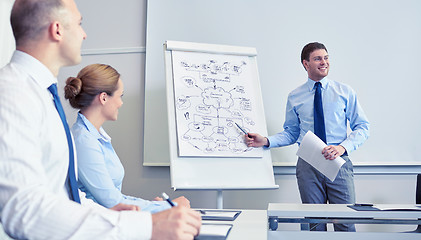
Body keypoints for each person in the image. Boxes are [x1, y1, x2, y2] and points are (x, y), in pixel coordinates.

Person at [0, 0, 201, 239]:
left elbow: (67, 195)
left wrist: (117, 217)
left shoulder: (43, 95)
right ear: (57, 30)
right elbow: (23, 210)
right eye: (79, 23)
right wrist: (146, 226)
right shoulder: (12, 94)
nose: (84, 34)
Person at [246, 42, 369, 231]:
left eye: (326, 57)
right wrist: (266, 141)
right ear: (306, 64)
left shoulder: (345, 92)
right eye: (318, 58)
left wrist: (341, 147)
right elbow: (292, 133)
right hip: (308, 165)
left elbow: (362, 127)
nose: (324, 62)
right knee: (314, 224)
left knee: (345, 222)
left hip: (339, 163)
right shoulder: (295, 96)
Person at [64, 63, 191, 213]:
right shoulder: (84, 141)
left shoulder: (94, 136)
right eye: (120, 96)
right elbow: (112, 202)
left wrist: (154, 205)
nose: (121, 103)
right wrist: (169, 206)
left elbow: (114, 197)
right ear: (104, 98)